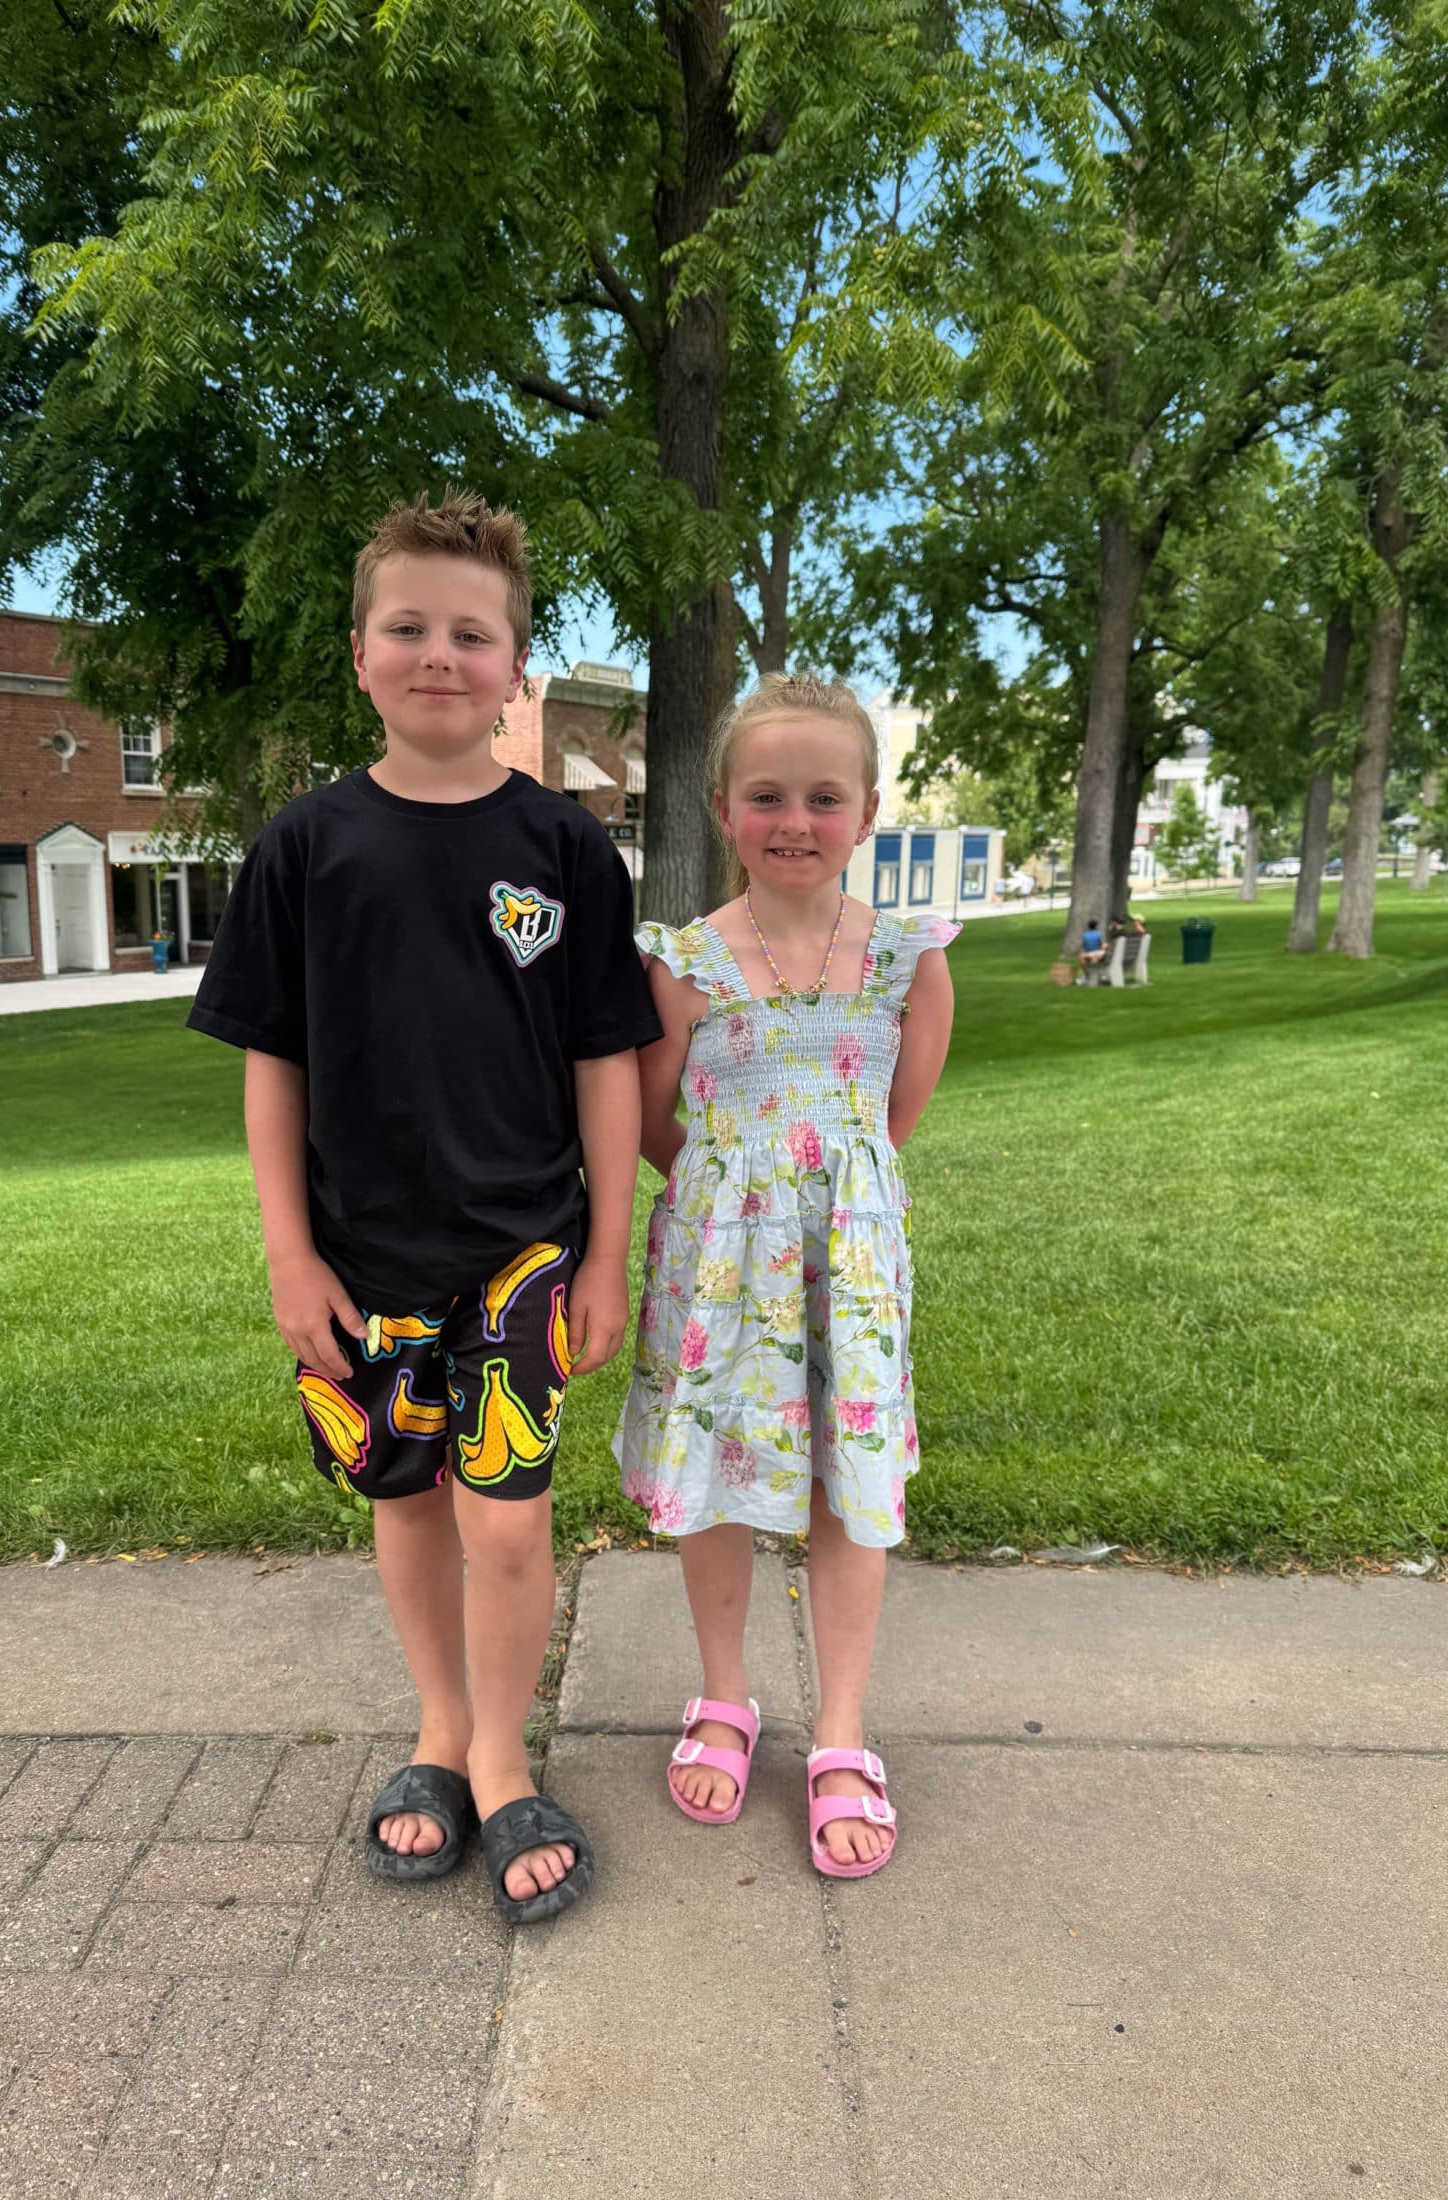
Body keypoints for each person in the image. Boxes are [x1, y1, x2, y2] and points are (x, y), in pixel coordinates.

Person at [188, 489, 658, 1925]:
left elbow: (607, 1061)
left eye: (471, 633)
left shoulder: (565, 848)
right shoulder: (303, 846)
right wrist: (288, 1254)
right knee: (403, 1503)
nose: (438, 654)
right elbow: (272, 1064)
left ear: (516, 667)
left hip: (522, 1253)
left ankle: (505, 1754)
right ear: (360, 655)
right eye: (407, 628)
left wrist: (605, 1256)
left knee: (504, 1521)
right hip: (360, 1258)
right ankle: (438, 1733)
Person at [615, 673, 958, 1879]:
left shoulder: (908, 960)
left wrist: (823, 1201)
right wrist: (736, 1198)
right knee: (716, 1475)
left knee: (843, 1483)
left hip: (847, 1270)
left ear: (867, 811)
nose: (795, 820)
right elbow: (649, 1119)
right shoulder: (684, 964)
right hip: (716, 1270)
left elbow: (891, 1119)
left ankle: (843, 1730)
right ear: (722, 808)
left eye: (824, 796)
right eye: (766, 795)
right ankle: (724, 1693)